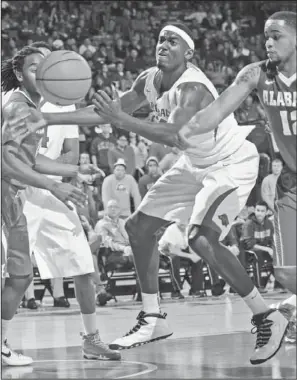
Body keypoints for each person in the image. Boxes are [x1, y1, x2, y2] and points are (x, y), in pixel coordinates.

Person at [10, 22, 287, 364]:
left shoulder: (193, 88)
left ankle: (265, 315)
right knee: (138, 229)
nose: (163, 45)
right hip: (193, 163)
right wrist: (45, 119)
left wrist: (120, 120)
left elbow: (174, 135)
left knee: (201, 237)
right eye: (160, 40)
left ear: (189, 53)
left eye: (172, 41)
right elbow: (108, 111)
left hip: (228, 164)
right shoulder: (148, 79)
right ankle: (153, 317)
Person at [1, 45, 120, 366]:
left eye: (46, 65)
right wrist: (56, 184)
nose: (41, 72)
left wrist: (74, 171)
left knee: (81, 262)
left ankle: (92, 340)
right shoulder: (16, 107)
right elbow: (8, 163)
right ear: (19, 74)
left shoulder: (45, 103)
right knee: (18, 277)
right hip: (14, 195)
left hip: (39, 191)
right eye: (33, 67)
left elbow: (33, 158)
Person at [178, 9, 296, 309]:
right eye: (266, 37)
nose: (268, 43)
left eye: (276, 36)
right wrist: (184, 131)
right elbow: (217, 110)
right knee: (285, 272)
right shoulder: (256, 73)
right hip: (292, 182)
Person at [241, 201, 275, 288]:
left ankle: (280, 284)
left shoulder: (269, 224)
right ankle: (259, 286)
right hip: (248, 250)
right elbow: (249, 244)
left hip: (263, 248)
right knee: (257, 255)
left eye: (262, 211)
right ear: (254, 210)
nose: (259, 213)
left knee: (277, 256)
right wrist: (267, 249)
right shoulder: (248, 224)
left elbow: (270, 240)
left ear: (267, 212)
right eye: (258, 210)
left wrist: (272, 250)